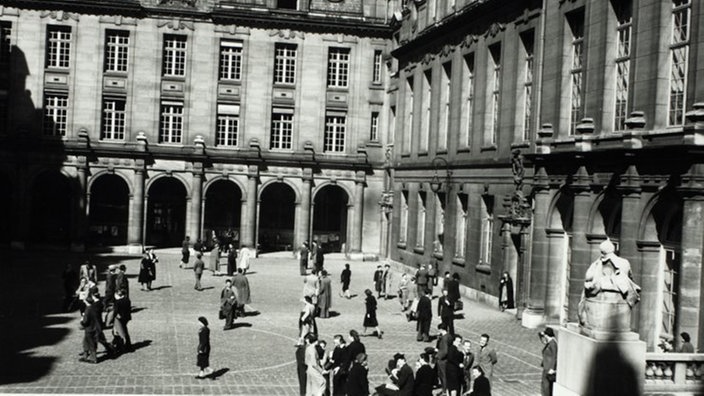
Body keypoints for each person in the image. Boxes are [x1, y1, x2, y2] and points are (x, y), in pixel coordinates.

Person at [113, 288, 132, 353]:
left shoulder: (118, 302)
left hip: (119, 318)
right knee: (125, 330)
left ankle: (120, 346)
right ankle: (127, 345)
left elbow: (115, 311)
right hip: (126, 317)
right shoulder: (127, 300)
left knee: (118, 332)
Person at [539, 327, 557, 396]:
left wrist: (552, 368)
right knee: (544, 383)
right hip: (546, 365)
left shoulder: (552, 344)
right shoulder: (550, 342)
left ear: (547, 335)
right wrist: (541, 335)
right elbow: (544, 341)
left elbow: (554, 356)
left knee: (546, 384)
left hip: (549, 367)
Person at [435, 323, 452, 392]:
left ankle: (444, 390)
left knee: (443, 375)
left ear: (441, 329)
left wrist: (438, 355)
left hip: (443, 360)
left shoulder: (444, 338)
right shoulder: (449, 336)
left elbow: (445, 351)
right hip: (447, 359)